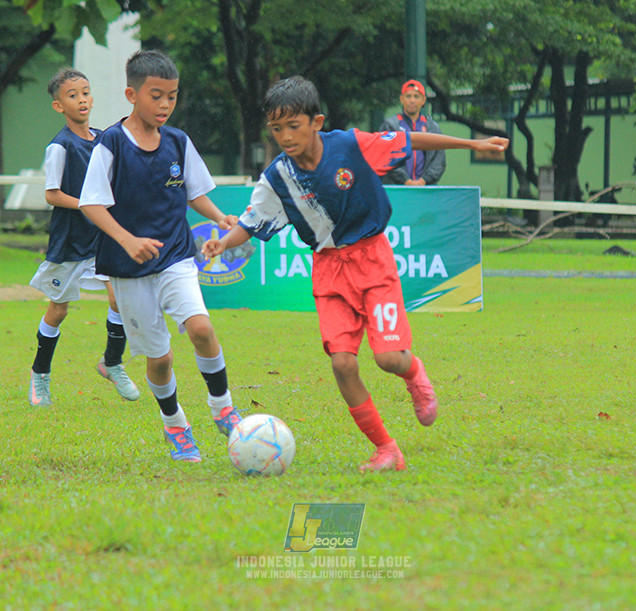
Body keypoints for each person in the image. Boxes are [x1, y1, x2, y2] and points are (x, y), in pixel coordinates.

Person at [201, 76, 509, 472]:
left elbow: (409, 141)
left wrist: (473, 144)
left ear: (317, 121)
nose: (285, 137)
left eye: (293, 126)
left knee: (388, 359)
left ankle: (413, 371)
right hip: (329, 271)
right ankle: (386, 449)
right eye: (277, 129)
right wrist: (224, 242)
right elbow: (252, 219)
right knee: (342, 365)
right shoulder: (278, 177)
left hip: (372, 259)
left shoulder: (349, 145)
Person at [79, 50, 242, 463]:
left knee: (202, 328)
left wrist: (221, 217)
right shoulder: (111, 143)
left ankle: (222, 406)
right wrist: (127, 240)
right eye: (157, 96)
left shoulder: (178, 142)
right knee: (161, 358)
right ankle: (176, 426)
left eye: (172, 96)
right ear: (132, 95)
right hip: (128, 269)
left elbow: (195, 192)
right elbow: (91, 204)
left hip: (175, 257)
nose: (166, 104)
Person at [28, 67, 139, 407]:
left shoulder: (105, 138)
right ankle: (39, 375)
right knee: (58, 311)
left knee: (119, 298)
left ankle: (111, 362)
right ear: (59, 106)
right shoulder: (60, 146)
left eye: (86, 92)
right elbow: (52, 194)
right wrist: (90, 206)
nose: (82, 100)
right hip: (71, 240)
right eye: (73, 95)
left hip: (102, 237)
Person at [378, 79, 446, 186]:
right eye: (408, 96)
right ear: (401, 99)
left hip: (425, 190)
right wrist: (405, 180)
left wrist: (424, 180)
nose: (412, 100)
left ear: (423, 100)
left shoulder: (433, 128)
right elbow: (385, 157)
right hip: (397, 189)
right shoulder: (390, 125)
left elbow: (439, 161)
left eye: (416, 96)